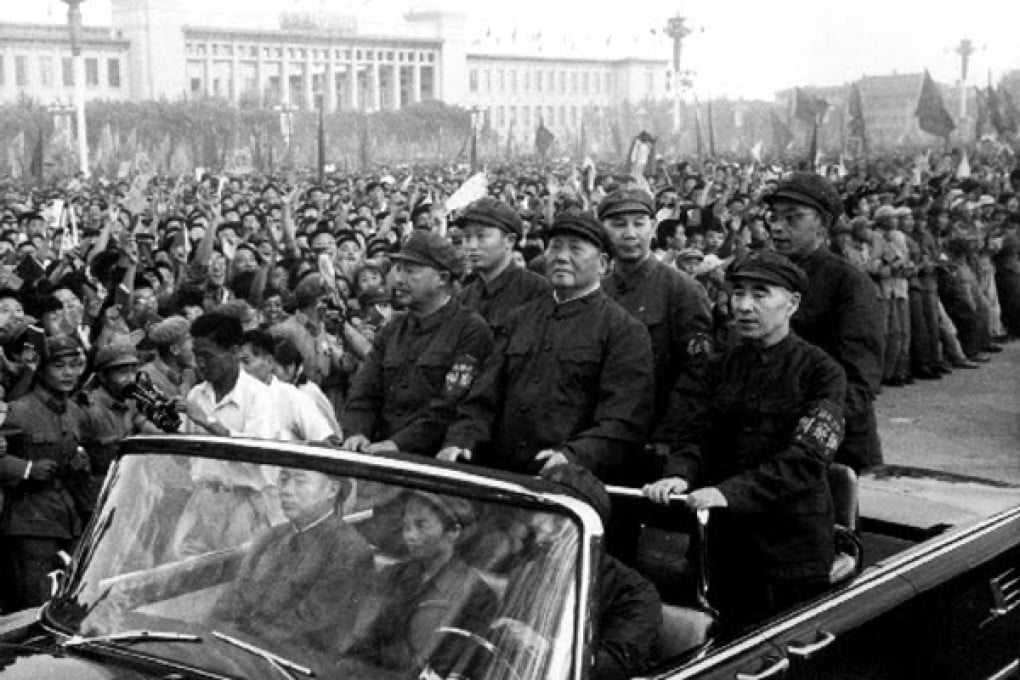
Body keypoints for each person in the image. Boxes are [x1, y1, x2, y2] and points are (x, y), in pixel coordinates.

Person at [645, 251, 845, 632]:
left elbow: (807, 459)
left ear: (792, 304)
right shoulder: (718, 367)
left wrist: (729, 493)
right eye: (737, 294)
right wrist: (680, 473)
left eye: (760, 294)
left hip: (790, 553)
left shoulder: (822, 372)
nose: (744, 306)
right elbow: (692, 435)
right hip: (724, 547)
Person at [439, 211, 654, 481]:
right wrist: (461, 439)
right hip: (504, 476)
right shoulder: (519, 319)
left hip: (574, 484)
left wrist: (573, 456)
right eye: (555, 247)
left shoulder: (624, 331)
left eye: (575, 249)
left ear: (602, 264)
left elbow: (623, 420)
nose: (562, 257)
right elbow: (483, 397)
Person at [494, 464, 661, 680]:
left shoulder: (635, 594)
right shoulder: (528, 567)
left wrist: (544, 649)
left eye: (555, 516)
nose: (538, 525)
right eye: (537, 511)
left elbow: (615, 668)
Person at [765, 172, 884, 472]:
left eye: (792, 218)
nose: (777, 227)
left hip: (837, 448)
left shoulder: (848, 282)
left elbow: (860, 379)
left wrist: (814, 427)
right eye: (774, 217)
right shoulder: (766, 276)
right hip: (774, 443)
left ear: (823, 223)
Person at [341, 231, 493, 457]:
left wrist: (398, 444)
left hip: (432, 463)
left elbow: (450, 407)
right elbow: (364, 391)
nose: (399, 279)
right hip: (380, 457)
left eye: (411, 271)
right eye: (399, 269)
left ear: (442, 278)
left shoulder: (470, 330)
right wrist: (357, 432)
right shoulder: (393, 328)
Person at [599, 187, 713, 474]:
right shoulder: (599, 291)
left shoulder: (682, 290)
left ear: (653, 228)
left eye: (638, 223)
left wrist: (668, 435)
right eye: (618, 224)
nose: (629, 233)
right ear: (602, 231)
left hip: (653, 442)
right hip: (603, 435)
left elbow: (697, 373)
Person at [211, 468, 373, 654]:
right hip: (237, 651)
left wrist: (238, 642)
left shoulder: (349, 550)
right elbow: (231, 600)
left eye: (300, 481)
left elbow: (312, 629)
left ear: (332, 490)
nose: (286, 490)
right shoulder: (270, 537)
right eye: (284, 479)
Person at [343, 491, 497, 674]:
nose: (410, 535)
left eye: (421, 526)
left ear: (453, 531)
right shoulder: (392, 575)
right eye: (406, 527)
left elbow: (450, 667)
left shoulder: (478, 596)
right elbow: (360, 640)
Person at [171, 311, 281, 557]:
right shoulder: (196, 396)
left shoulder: (260, 397)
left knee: (240, 572)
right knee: (183, 567)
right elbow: (184, 456)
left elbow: (257, 452)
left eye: (207, 356)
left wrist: (209, 422)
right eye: (196, 355)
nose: (200, 364)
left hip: (246, 504)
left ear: (232, 352)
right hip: (203, 502)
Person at [0, 335, 91, 611]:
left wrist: (80, 463)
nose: (68, 373)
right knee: (34, 607)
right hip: (29, 521)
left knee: (66, 602)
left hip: (67, 518)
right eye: (59, 366)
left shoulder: (75, 411)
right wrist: (26, 469)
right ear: (41, 369)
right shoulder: (17, 411)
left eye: (74, 365)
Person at [456, 197, 551, 330]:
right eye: (466, 237)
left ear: (509, 241)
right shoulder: (463, 298)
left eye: (481, 236)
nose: (472, 246)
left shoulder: (538, 291)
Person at [238, 328, 335, 442]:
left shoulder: (295, 398)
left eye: (246, 361)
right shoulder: (232, 395)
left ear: (269, 362)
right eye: (236, 362)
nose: (240, 369)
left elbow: (324, 442)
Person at [138, 315, 197, 398]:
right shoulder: (147, 379)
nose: (194, 346)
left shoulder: (189, 374)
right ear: (174, 349)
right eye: (189, 339)